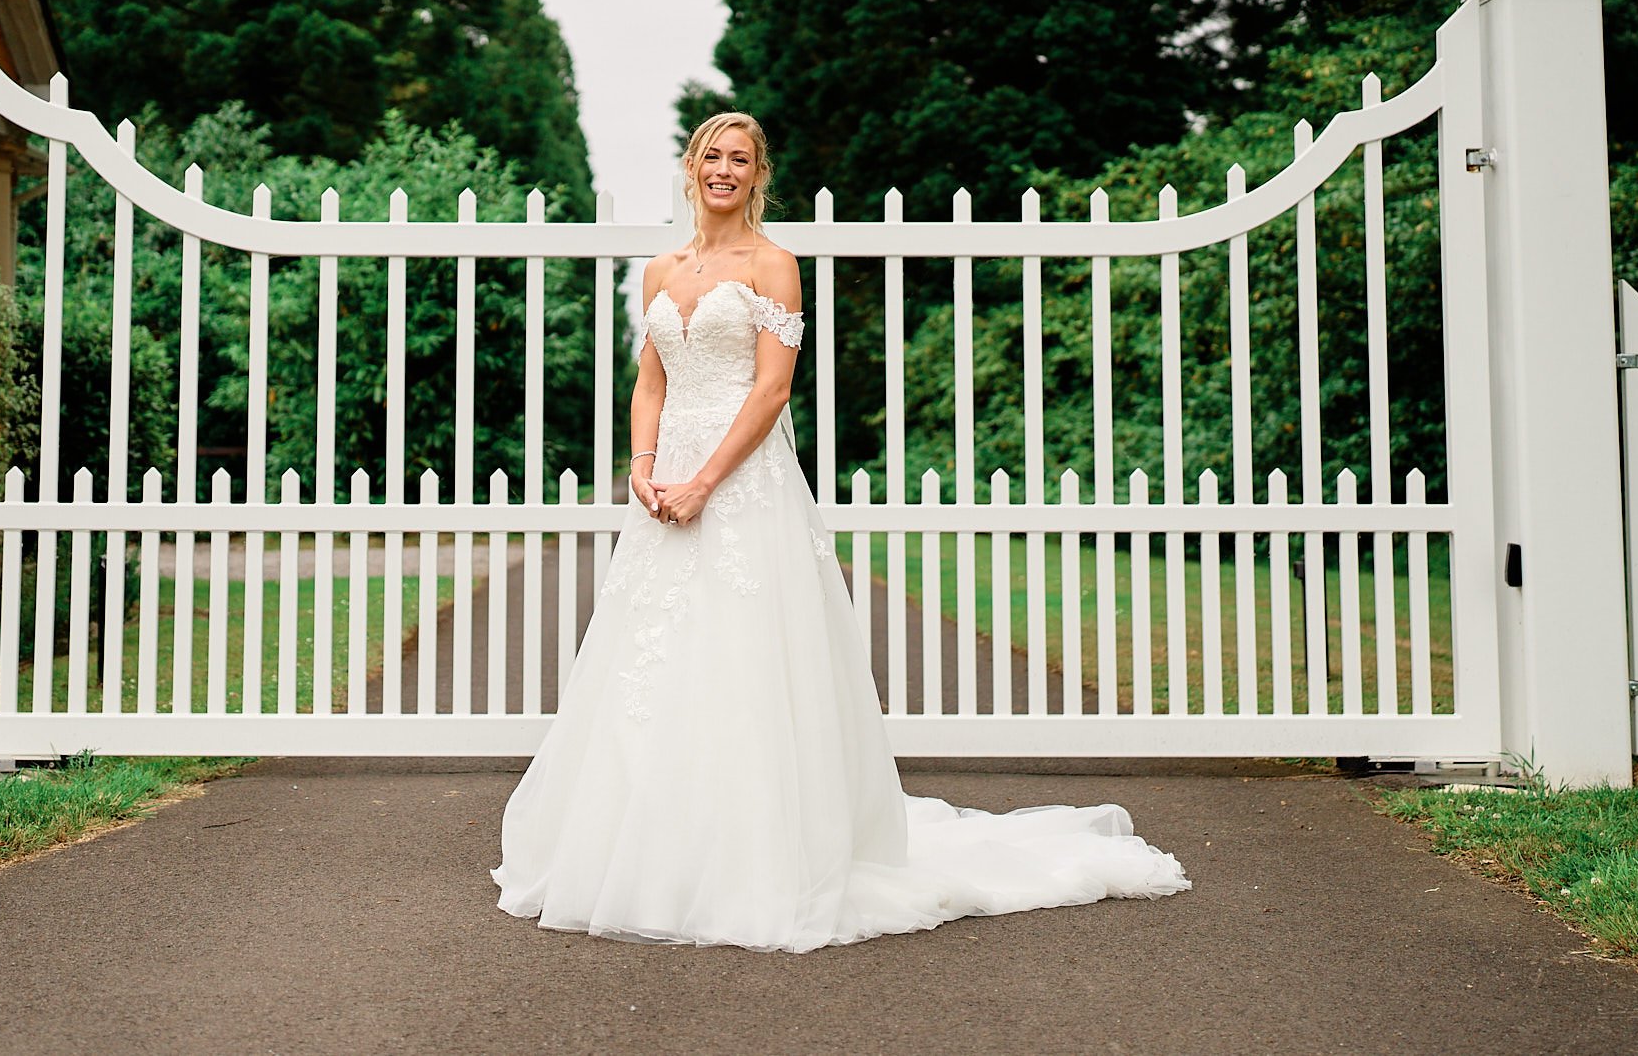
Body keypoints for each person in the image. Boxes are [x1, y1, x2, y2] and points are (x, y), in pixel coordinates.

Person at [491, 111, 1188, 951]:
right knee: (653, 658)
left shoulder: (773, 264)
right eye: (712, 155)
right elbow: (651, 379)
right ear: (691, 167)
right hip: (664, 487)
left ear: (757, 175)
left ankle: (755, 858)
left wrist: (706, 481)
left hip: (740, 484)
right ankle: (646, 847)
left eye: (739, 159)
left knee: (744, 657)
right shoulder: (659, 270)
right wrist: (644, 464)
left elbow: (772, 390)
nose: (724, 169)